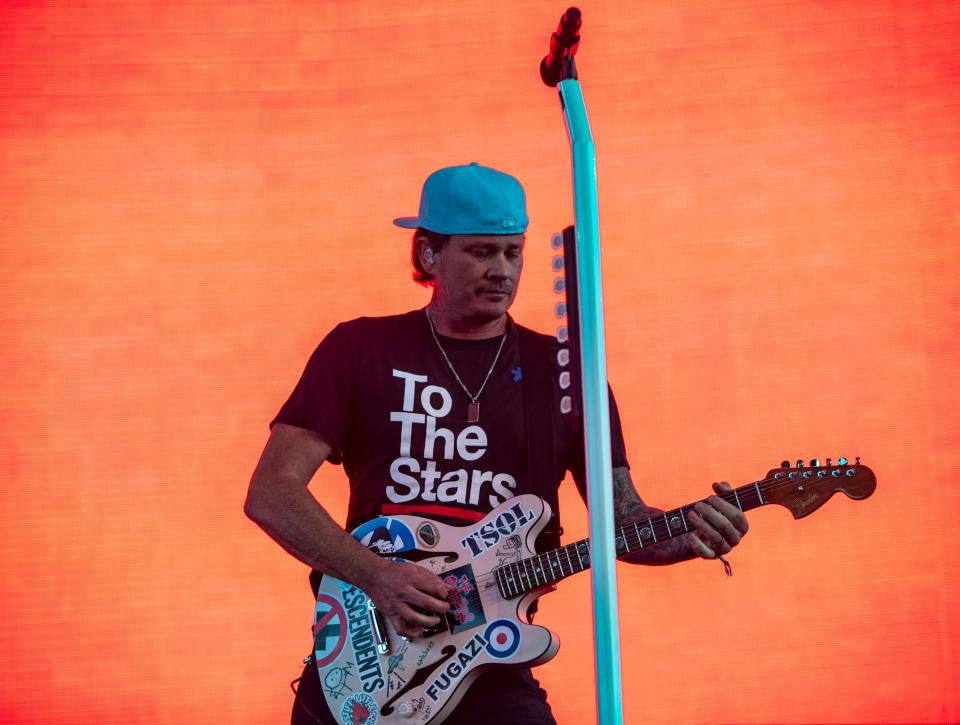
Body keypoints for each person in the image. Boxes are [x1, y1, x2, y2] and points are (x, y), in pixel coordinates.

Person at [244, 162, 750, 724]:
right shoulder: (360, 349)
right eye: (482, 252)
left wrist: (689, 536)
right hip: (371, 652)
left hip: (491, 657)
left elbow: (623, 525)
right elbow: (272, 492)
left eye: (514, 253)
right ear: (428, 254)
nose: (501, 271)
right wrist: (377, 577)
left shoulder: (566, 373)